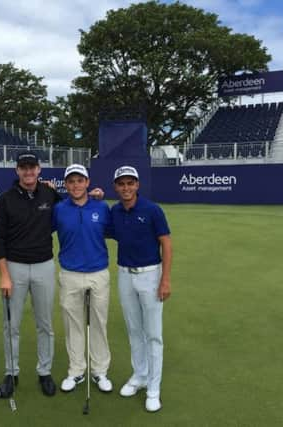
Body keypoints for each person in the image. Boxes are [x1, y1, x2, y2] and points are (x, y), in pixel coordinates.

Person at [0, 151, 61, 398]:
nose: (28, 172)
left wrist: (94, 197)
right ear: (17, 171)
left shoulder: (50, 193)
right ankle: (11, 372)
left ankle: (45, 371)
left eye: (32, 167)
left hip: (44, 265)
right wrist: (4, 274)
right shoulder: (5, 200)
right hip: (14, 267)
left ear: (39, 169)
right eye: (24, 167)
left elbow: (74, 204)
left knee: (45, 324)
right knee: (12, 325)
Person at [110, 165, 172, 413]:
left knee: (153, 334)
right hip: (125, 274)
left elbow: (166, 244)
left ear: (137, 185)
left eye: (130, 183)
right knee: (134, 330)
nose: (126, 188)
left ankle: (154, 388)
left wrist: (165, 279)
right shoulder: (114, 211)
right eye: (121, 184)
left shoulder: (152, 210)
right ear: (116, 187)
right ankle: (140, 375)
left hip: (150, 275)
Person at [52, 164, 113, 393]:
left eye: (80, 180)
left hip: (98, 273)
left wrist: (100, 197)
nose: (76, 185)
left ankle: (100, 371)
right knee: (73, 325)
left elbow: (112, 231)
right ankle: (76, 371)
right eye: (71, 181)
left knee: (98, 323)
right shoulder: (58, 209)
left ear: (88, 183)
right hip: (70, 274)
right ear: (66, 185)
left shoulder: (102, 207)